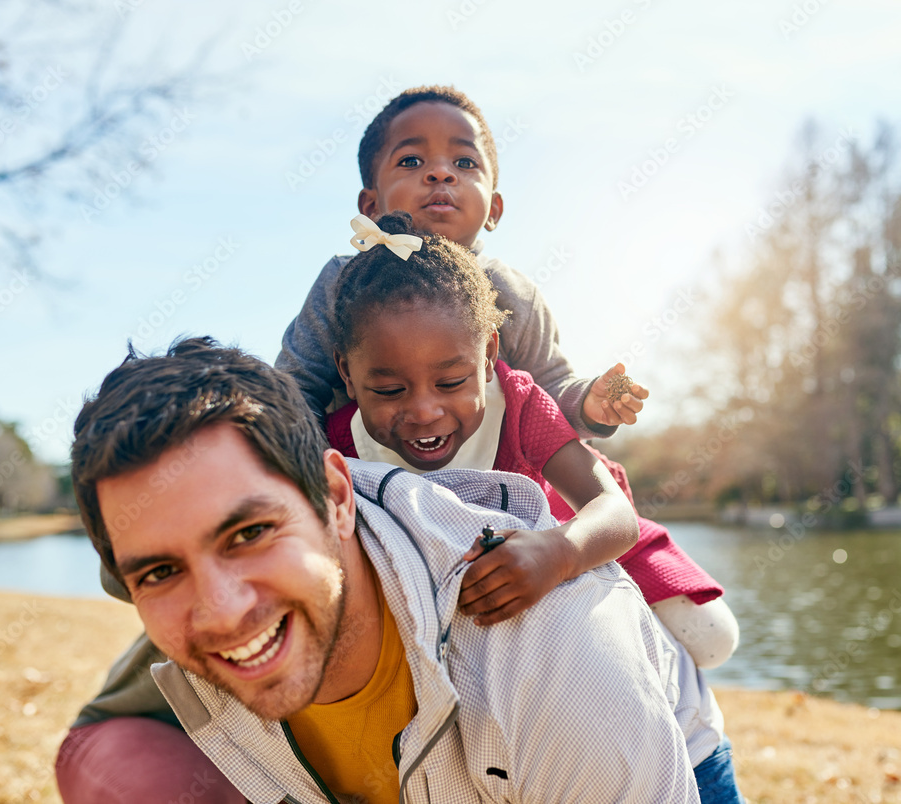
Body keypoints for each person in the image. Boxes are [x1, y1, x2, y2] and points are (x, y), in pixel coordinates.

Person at [67, 337, 728, 803]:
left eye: (250, 534)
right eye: (159, 572)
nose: (221, 610)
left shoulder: (556, 664)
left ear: (335, 496)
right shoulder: (199, 660)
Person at [328, 211, 741, 666]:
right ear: (347, 373)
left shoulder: (518, 405)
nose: (424, 412)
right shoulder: (340, 446)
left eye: (450, 383)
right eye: (390, 390)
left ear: (488, 355)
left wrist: (557, 553)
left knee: (712, 638)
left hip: (572, 531)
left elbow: (615, 514)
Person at [275, 84, 648, 438]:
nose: (441, 172)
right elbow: (297, 384)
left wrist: (588, 405)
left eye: (465, 162)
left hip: (497, 478)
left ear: (494, 209)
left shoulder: (514, 293)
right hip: (364, 472)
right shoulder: (344, 282)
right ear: (371, 206)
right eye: (411, 160)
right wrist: (305, 463)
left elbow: (551, 388)